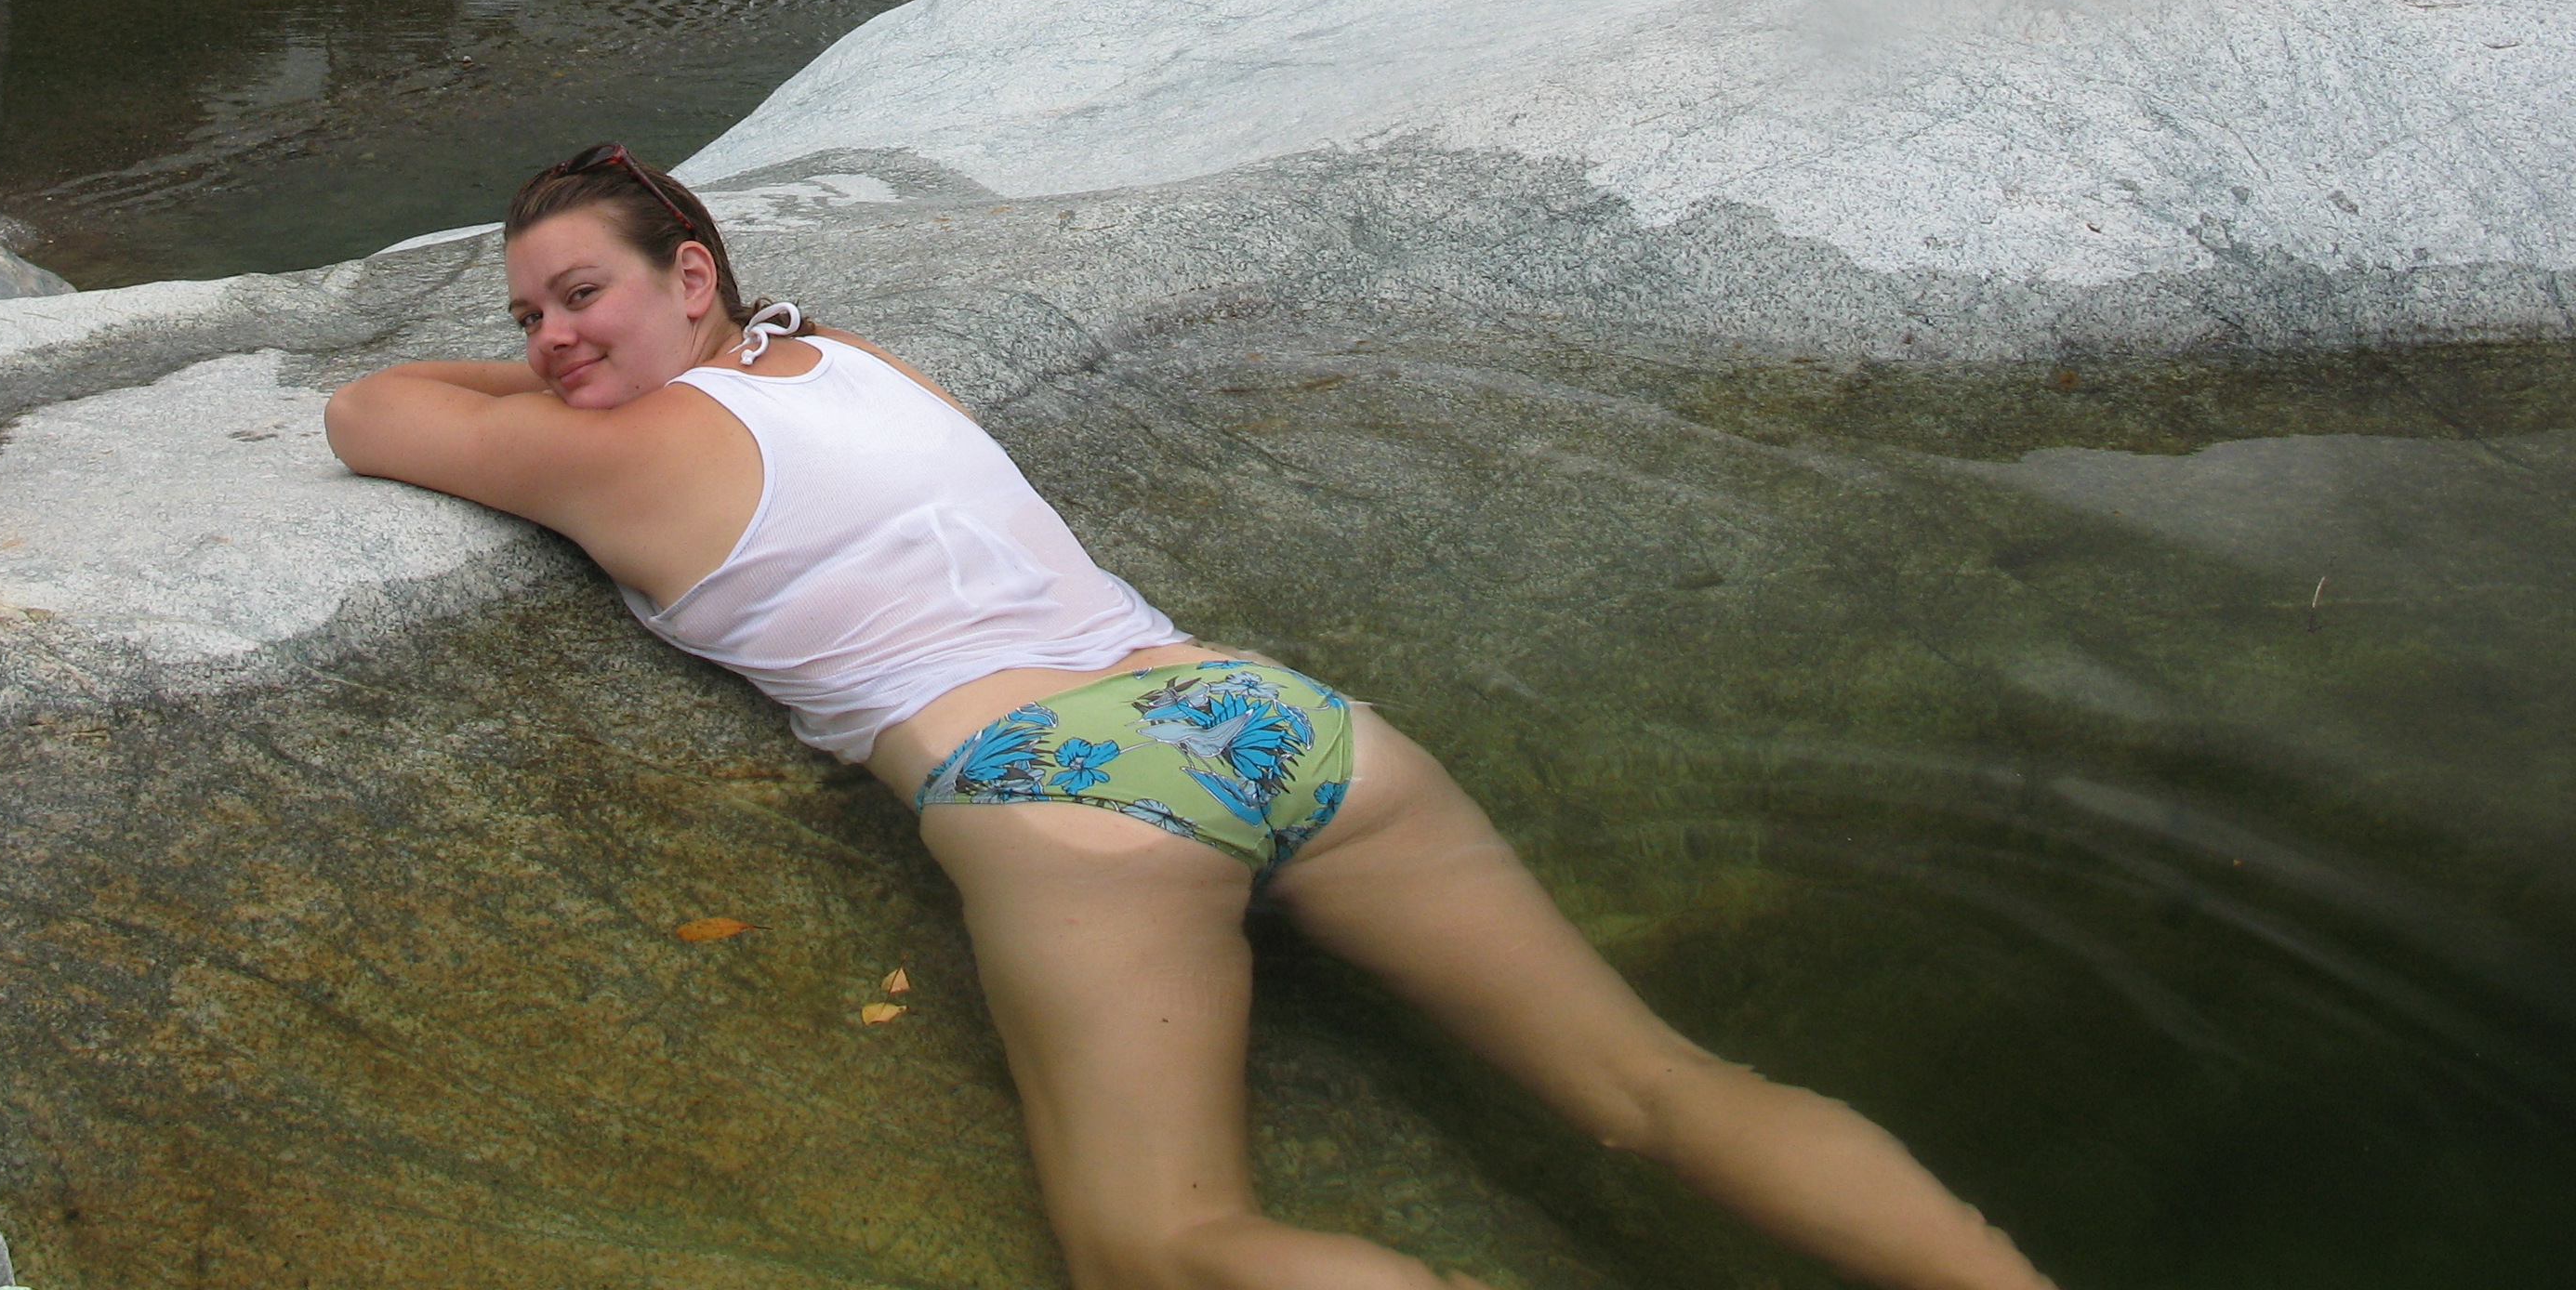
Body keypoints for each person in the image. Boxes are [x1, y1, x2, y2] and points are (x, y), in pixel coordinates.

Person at [325, 143, 2058, 1290]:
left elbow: (365, 414)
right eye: (528, 318)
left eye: (582, 297)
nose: (552, 342)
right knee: (1659, 1087)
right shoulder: (852, 356)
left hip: (1062, 789)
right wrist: (653, 356)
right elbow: (652, 362)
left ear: (690, 273)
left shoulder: (602, 449)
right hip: (1259, 713)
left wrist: (533, 388)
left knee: (1167, 1246)